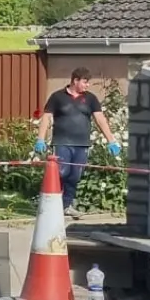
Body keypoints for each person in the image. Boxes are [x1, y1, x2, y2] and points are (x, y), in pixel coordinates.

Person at [35, 68, 121, 214]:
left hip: (82, 144)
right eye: (85, 82)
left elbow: (100, 119)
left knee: (75, 176)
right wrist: (40, 139)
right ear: (75, 81)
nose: (88, 85)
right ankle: (51, 203)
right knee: (61, 173)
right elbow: (46, 118)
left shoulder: (91, 99)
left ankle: (66, 206)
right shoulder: (57, 97)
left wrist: (111, 141)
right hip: (62, 143)